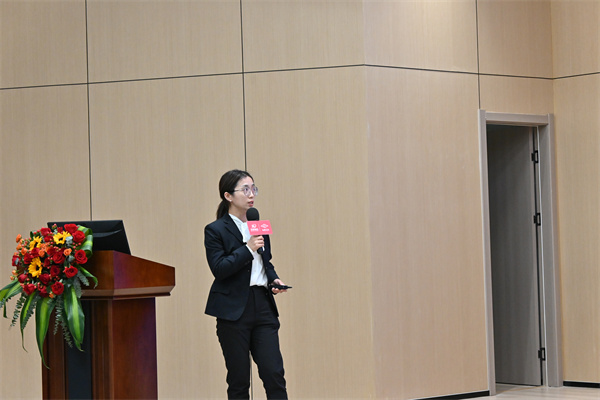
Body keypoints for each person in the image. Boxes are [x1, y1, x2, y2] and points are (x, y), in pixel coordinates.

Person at [204, 169, 289, 400]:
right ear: (228, 196)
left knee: (274, 374)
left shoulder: (258, 225)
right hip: (233, 311)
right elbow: (219, 269)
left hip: (263, 306)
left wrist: (273, 279)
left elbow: (265, 262)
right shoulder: (215, 230)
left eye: (254, 189)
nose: (251, 194)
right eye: (245, 189)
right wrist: (247, 248)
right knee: (239, 380)